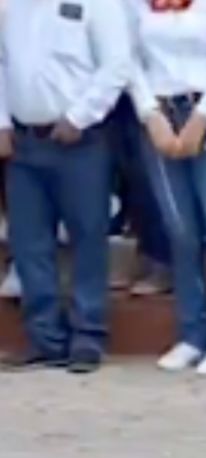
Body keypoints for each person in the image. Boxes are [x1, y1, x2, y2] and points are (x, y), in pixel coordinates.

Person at [0, 0, 132, 373]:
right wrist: (2, 122)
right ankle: (45, 339)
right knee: (29, 242)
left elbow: (116, 65)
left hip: (80, 141)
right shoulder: (13, 8)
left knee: (87, 236)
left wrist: (80, 115)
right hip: (25, 139)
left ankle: (88, 336)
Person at [129, 0, 206, 375]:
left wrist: (203, 118)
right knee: (180, 230)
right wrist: (151, 115)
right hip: (159, 115)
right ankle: (193, 333)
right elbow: (129, 58)